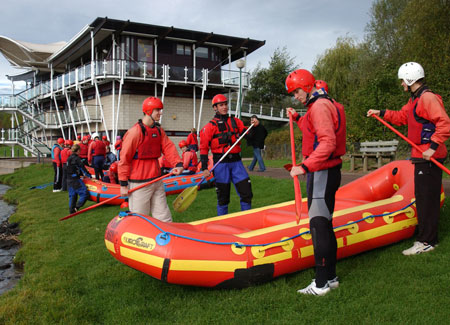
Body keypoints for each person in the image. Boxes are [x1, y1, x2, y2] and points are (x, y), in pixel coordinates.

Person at [367, 62, 450, 255]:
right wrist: (381, 113)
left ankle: (427, 241)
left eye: (403, 81)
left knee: (427, 199)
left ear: (410, 79)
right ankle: (426, 237)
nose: (402, 84)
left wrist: (432, 147)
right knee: (422, 197)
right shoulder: (415, 99)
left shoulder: (427, 98)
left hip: (430, 156)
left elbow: (444, 123)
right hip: (421, 155)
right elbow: (402, 116)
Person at [285, 69, 346, 296]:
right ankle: (330, 277)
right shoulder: (325, 103)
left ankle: (320, 284)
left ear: (307, 86)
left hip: (322, 172)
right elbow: (313, 130)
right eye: (293, 93)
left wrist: (305, 166)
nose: (296, 96)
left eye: (297, 91)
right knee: (325, 225)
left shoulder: (319, 106)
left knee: (319, 227)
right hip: (326, 171)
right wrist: (298, 118)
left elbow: (327, 142)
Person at [118, 96, 183, 221]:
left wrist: (178, 164)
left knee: (164, 217)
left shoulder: (159, 131)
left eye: (160, 110)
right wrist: (123, 184)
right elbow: (124, 159)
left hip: (156, 180)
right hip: (139, 183)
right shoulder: (134, 133)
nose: (160, 113)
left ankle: (166, 237)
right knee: (139, 219)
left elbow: (168, 148)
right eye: (157, 110)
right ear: (148, 111)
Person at [200, 94, 253, 216]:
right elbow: (203, 148)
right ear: (215, 107)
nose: (224, 107)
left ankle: (248, 219)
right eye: (221, 105)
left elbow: (249, 134)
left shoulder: (236, 121)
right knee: (223, 197)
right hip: (221, 164)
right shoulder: (209, 127)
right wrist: (204, 167)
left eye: (225, 104)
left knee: (246, 193)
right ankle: (222, 224)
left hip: (236, 163)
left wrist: (254, 125)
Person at [66, 144, 91, 213]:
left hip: (68, 179)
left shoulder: (69, 158)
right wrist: (89, 176)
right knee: (84, 193)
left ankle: (71, 210)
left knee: (72, 195)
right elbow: (82, 167)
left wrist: (80, 174)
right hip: (75, 179)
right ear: (78, 151)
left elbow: (70, 168)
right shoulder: (77, 159)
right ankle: (77, 207)